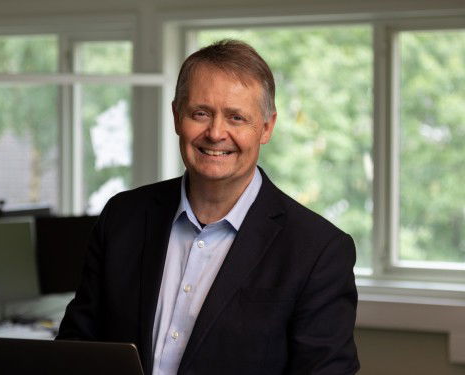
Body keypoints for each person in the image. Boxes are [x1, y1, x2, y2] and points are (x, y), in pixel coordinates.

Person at [56, 39, 359, 375]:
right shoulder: (122, 218)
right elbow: (77, 348)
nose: (216, 133)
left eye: (236, 117)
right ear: (176, 116)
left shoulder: (318, 250)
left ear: (267, 127)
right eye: (200, 113)